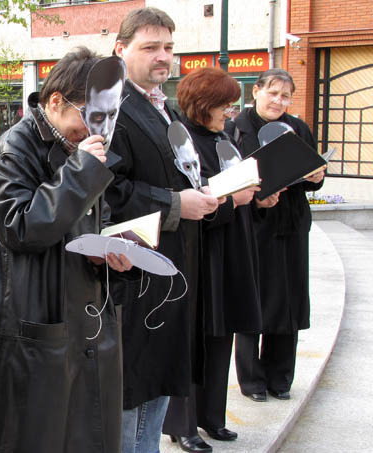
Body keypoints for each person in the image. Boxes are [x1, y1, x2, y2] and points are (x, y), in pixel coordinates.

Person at [0, 47, 132, 453]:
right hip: (32, 325)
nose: (99, 129)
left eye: (109, 117)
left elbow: (90, 222)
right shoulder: (14, 149)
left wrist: (111, 253)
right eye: (91, 115)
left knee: (80, 433)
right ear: (55, 102)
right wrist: (83, 172)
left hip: (83, 320)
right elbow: (18, 227)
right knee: (31, 435)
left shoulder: (80, 149)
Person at [105, 7, 221, 453]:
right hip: (135, 272)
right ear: (121, 49)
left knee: (158, 387)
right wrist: (175, 204)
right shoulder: (112, 108)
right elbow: (108, 190)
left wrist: (206, 192)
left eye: (168, 47)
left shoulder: (160, 105)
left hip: (170, 266)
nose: (163, 56)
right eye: (150, 47)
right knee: (136, 389)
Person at [165, 67, 269, 449]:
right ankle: (183, 425)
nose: (230, 111)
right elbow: (191, 198)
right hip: (200, 252)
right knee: (193, 338)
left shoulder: (223, 137)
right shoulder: (182, 140)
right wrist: (231, 200)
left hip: (231, 248)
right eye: (224, 104)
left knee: (221, 336)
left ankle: (212, 417)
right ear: (203, 104)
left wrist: (257, 197)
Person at [226, 68, 325, 403]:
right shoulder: (237, 128)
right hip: (254, 226)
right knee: (254, 299)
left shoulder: (298, 128)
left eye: (285, 96)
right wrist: (256, 198)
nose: (278, 101)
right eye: (272, 93)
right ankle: (252, 380)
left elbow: (313, 173)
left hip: (291, 224)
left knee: (289, 300)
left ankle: (280, 377)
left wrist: (316, 176)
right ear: (256, 91)